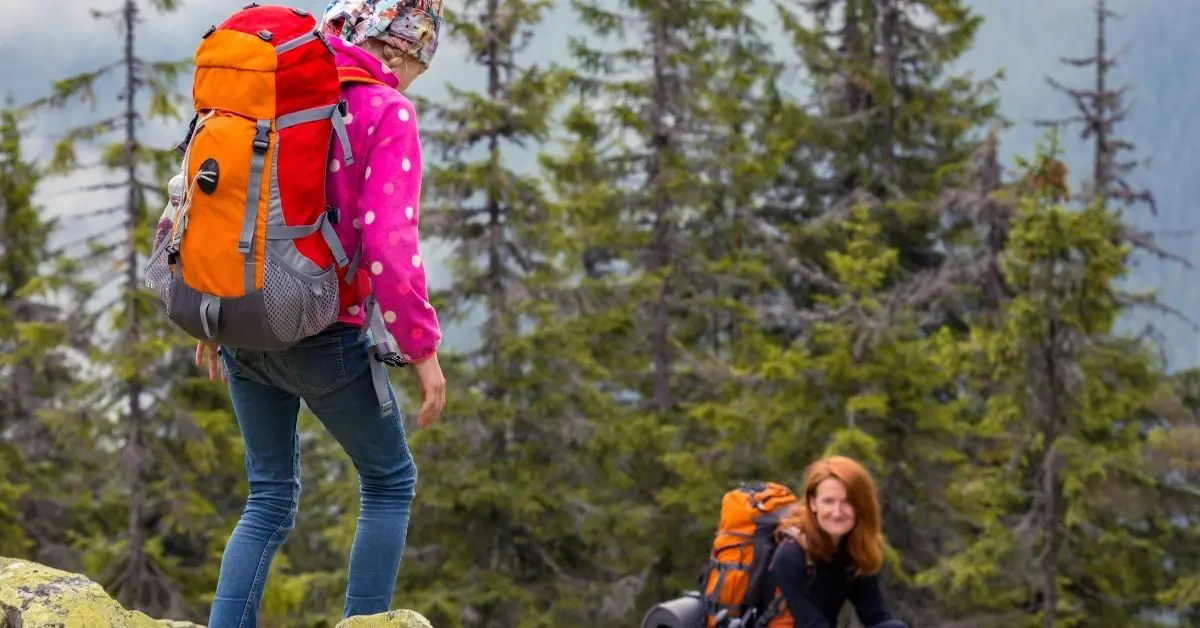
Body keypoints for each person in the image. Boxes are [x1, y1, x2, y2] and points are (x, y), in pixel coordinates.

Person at [194, 1, 447, 625]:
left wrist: (211, 309)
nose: (413, 75)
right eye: (418, 59)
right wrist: (422, 349)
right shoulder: (386, 111)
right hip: (322, 332)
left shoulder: (273, 90)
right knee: (389, 482)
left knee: (269, 496)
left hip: (240, 321)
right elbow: (388, 243)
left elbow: (214, 200)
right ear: (397, 48)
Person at [763, 456, 908, 628]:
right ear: (813, 503)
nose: (837, 512)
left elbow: (876, 616)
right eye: (828, 501)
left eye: (847, 502)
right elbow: (811, 623)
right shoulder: (791, 554)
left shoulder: (853, 549)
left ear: (862, 506)